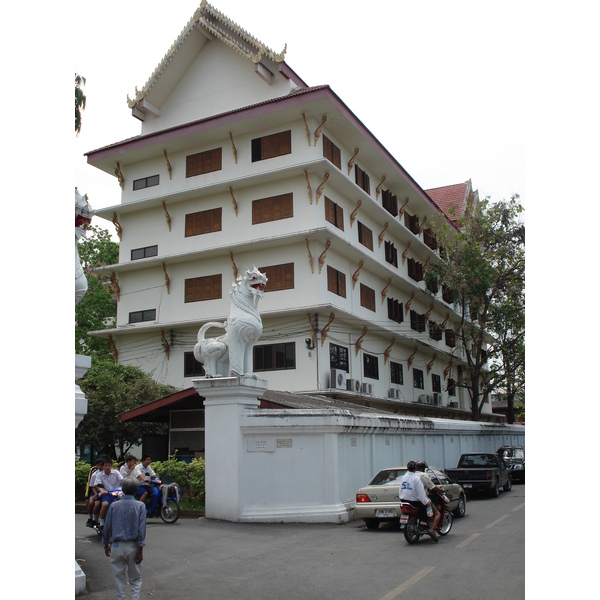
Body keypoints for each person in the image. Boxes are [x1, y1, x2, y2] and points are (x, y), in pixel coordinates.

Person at [102, 476, 147, 600]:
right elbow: (141, 530)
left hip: (116, 546)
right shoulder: (140, 506)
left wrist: (106, 543)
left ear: (123, 489)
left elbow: (107, 526)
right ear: (136, 490)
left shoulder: (114, 506)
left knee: (119, 579)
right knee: (135, 579)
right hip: (133, 546)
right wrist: (140, 550)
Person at [398, 460, 438, 542]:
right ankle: (426, 525)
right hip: (415, 502)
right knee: (429, 509)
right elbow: (421, 495)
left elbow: (400, 490)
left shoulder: (403, 477)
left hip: (404, 500)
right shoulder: (416, 479)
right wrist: (427, 502)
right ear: (415, 468)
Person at [415, 460, 445, 539]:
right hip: (422, 498)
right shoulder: (424, 475)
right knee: (437, 514)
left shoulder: (412, 475)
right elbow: (432, 487)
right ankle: (431, 530)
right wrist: (441, 490)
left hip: (411, 498)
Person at [94, 459, 124, 532]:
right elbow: (99, 486)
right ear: (103, 466)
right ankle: (101, 522)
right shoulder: (99, 475)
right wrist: (102, 491)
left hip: (116, 494)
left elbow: (122, 480)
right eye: (106, 465)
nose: (107, 467)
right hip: (106, 494)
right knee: (105, 504)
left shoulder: (116, 473)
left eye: (109, 465)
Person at [85, 456, 106, 528]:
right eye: (98, 465)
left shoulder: (108, 473)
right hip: (96, 491)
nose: (100, 467)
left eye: (101, 465)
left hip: (105, 492)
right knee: (93, 502)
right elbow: (93, 486)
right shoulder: (95, 474)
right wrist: (95, 493)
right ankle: (92, 518)